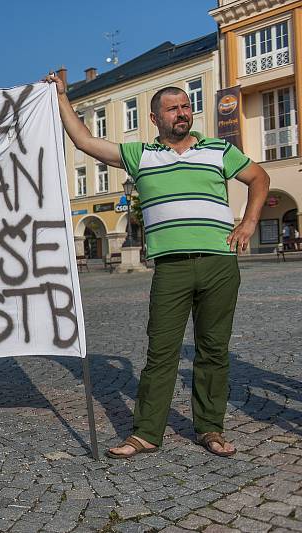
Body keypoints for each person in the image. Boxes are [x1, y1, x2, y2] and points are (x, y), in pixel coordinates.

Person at [44, 73, 270, 458]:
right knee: (161, 351)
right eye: (173, 108)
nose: (182, 113)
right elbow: (85, 141)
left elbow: (259, 178)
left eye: (186, 106)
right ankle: (147, 433)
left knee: (213, 350)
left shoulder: (218, 149)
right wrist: (62, 99)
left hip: (219, 264)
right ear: (155, 119)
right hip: (172, 268)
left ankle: (210, 429)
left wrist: (248, 223)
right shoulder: (141, 155)